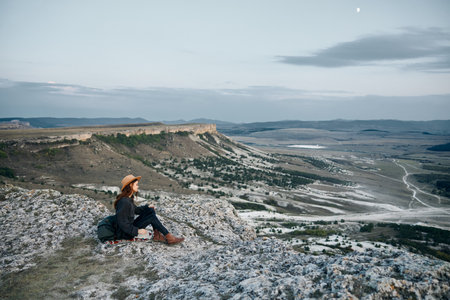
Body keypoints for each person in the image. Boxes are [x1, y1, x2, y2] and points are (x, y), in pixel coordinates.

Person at [114, 174, 184, 245]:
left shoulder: (128, 199)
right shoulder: (124, 202)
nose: (138, 186)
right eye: (136, 184)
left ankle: (157, 235)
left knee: (150, 210)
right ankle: (169, 237)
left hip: (130, 228)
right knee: (151, 217)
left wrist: (147, 207)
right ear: (131, 185)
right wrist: (137, 231)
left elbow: (136, 210)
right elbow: (122, 223)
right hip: (125, 233)